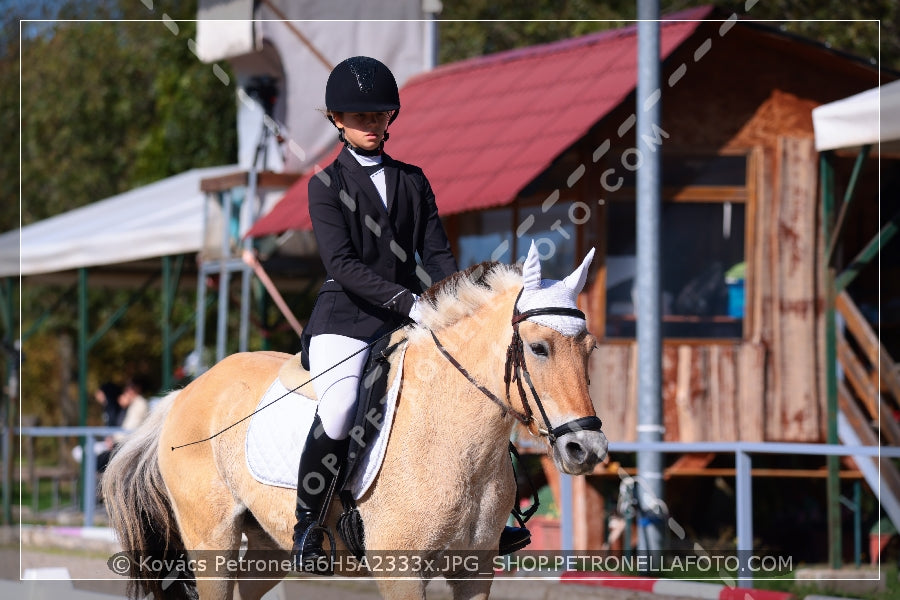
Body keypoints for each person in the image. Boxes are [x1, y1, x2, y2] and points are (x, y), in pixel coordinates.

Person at [292, 56, 530, 573]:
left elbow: (437, 254)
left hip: (411, 318)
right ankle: (308, 524)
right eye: (361, 118)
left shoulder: (413, 179)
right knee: (340, 406)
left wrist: (458, 303)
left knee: (472, 393)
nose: (373, 125)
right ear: (337, 120)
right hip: (347, 318)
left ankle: (491, 515)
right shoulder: (325, 186)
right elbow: (344, 265)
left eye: (380, 115)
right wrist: (411, 303)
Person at [96, 377, 150, 473]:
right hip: (121, 444)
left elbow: (129, 429)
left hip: (126, 446)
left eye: (130, 388)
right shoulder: (133, 404)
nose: (126, 391)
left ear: (137, 388)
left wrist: (113, 441)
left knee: (98, 462)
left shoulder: (140, 403)